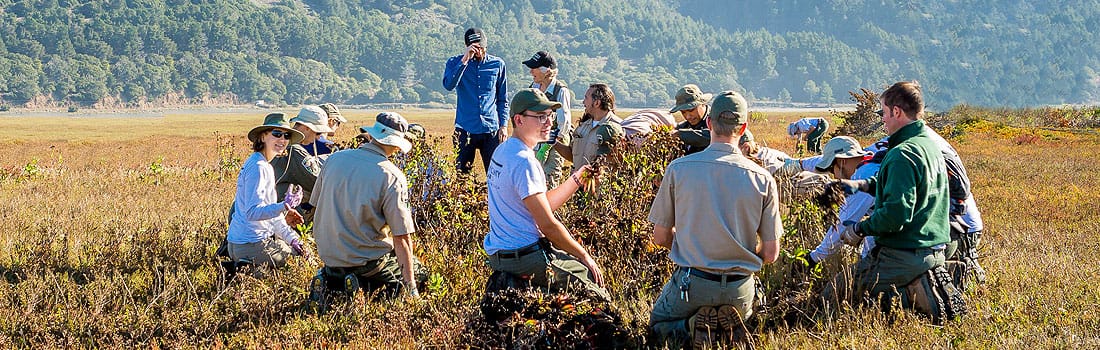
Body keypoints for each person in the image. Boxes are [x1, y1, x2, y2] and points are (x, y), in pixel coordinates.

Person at [648, 91, 782, 348]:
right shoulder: (764, 179)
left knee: (657, 327)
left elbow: (660, 237)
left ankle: (691, 326)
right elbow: (770, 252)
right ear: (743, 128)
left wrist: (689, 245)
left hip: (693, 283)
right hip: (740, 288)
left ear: (709, 123)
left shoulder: (678, 169)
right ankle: (724, 331)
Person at [826, 81, 952, 311]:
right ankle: (922, 283)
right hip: (932, 248)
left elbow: (896, 215)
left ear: (896, 112)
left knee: (836, 293)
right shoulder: (928, 145)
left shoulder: (902, 154)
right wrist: (860, 185)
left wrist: (859, 230)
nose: (882, 119)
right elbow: (899, 185)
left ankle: (911, 294)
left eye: (884, 112)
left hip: (904, 253)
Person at [484, 88, 610, 301]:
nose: (549, 122)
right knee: (592, 286)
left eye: (550, 116)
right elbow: (548, 226)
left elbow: (540, 206)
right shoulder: (525, 162)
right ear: (519, 120)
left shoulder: (503, 151)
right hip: (526, 255)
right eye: (540, 117)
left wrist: (576, 179)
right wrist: (584, 255)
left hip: (500, 256)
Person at [310, 112, 424, 299]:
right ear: (397, 145)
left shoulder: (334, 159)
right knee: (420, 272)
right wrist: (411, 288)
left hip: (329, 259)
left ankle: (329, 281)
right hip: (367, 264)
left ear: (372, 134)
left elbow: (314, 204)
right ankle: (360, 286)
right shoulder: (392, 176)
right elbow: (401, 237)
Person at [226, 113, 310, 271]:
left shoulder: (263, 164)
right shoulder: (258, 167)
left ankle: (247, 269)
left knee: (300, 252)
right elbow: (252, 212)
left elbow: (273, 217)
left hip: (246, 242)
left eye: (286, 136)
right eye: (277, 134)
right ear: (263, 136)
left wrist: (293, 240)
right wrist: (284, 206)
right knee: (298, 265)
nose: (282, 140)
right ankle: (247, 269)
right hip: (250, 243)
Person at [802, 136, 878, 266]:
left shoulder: (862, 175)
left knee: (866, 270)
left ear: (841, 161)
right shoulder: (872, 162)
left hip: (908, 238)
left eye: (832, 169)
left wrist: (812, 259)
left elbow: (840, 229)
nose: (834, 176)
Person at [442, 27, 509, 174]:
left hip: (491, 129)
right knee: (461, 176)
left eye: (481, 47)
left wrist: (503, 125)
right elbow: (449, 85)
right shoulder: (454, 62)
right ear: (467, 47)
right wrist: (465, 60)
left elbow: (503, 99)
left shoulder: (498, 64)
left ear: (486, 46)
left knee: (496, 175)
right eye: (474, 48)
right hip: (465, 129)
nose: (479, 51)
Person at [272, 106, 331, 221]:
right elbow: (317, 183)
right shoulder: (295, 151)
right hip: (280, 212)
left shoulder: (278, 146)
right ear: (307, 128)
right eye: (318, 133)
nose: (318, 137)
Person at [524, 51, 573, 186]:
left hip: (554, 145)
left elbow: (563, 124)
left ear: (546, 71)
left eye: (534, 68)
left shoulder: (561, 91)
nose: (531, 72)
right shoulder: (533, 88)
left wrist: (546, 147)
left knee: (550, 182)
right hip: (535, 141)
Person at [555, 83, 624, 171]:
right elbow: (572, 156)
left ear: (597, 103)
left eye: (586, 98)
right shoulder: (583, 126)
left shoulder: (617, 127)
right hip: (577, 182)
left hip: (601, 183)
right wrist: (554, 142)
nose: (583, 102)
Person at [669, 84, 713, 156]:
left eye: (691, 110)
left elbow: (714, 135)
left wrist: (680, 134)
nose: (688, 116)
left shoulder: (717, 120)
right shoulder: (682, 127)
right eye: (683, 112)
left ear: (702, 103)